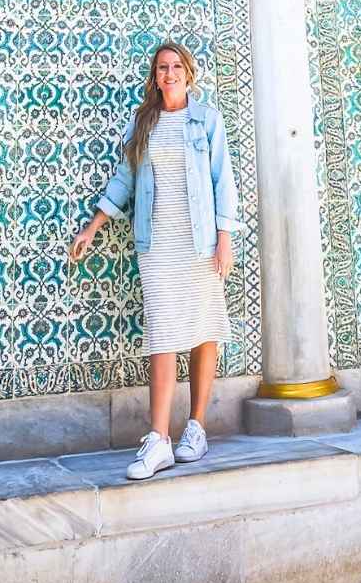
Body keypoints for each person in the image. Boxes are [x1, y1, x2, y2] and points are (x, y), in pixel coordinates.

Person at [69, 41, 242, 480]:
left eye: (176, 67)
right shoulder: (143, 122)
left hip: (200, 242)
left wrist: (225, 240)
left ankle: (197, 428)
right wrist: (94, 226)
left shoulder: (207, 120)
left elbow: (224, 181)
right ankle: (159, 439)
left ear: (189, 73)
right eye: (162, 68)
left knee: (205, 328)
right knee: (162, 336)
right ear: (155, 76)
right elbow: (125, 178)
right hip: (157, 243)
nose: (169, 74)